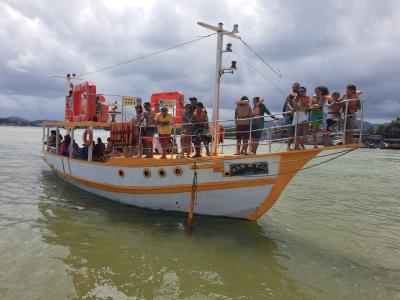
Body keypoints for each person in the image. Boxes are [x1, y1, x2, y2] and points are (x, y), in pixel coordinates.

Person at [283, 82, 300, 150]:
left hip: (298, 114)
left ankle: (296, 146)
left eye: (297, 87)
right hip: (290, 115)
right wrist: (292, 109)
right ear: (292, 87)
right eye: (294, 87)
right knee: (291, 131)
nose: (295, 88)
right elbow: (287, 104)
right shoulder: (289, 95)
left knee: (297, 131)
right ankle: (288, 146)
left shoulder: (299, 96)